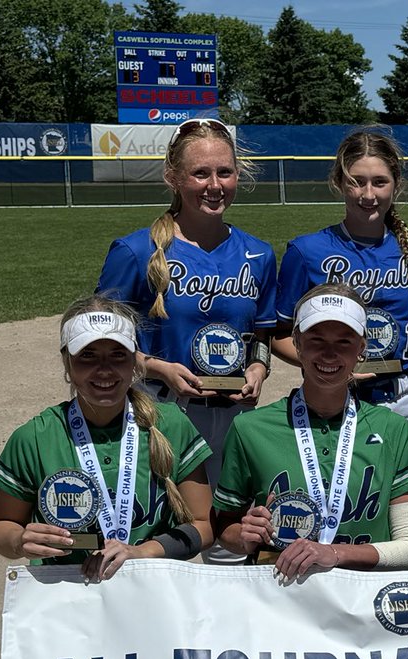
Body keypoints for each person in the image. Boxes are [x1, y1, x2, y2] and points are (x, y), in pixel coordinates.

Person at [96, 118, 277, 562]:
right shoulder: (137, 251)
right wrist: (157, 368)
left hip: (234, 418)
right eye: (200, 173)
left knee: (233, 543)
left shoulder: (258, 253)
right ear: (173, 177)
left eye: (225, 172)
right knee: (153, 540)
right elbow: (101, 345)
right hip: (159, 416)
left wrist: (258, 367)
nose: (214, 185)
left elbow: (262, 334)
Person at [212, 285, 408, 581]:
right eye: (316, 340)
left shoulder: (394, 429)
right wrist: (243, 535)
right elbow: (224, 527)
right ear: (297, 344)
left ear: (361, 349)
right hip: (282, 593)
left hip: (363, 597)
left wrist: (333, 554)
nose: (329, 354)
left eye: (344, 342)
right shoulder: (249, 428)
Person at [0, 297, 213, 582]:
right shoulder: (35, 437)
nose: (104, 369)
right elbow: (1, 526)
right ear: (67, 363)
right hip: (64, 593)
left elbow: (204, 525)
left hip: (154, 589)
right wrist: (19, 539)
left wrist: (142, 551)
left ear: (135, 361)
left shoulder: (171, 424)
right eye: (88, 355)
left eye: (118, 354)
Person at [272, 129, 408, 443]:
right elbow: (278, 335)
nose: (368, 194)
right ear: (338, 183)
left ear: (396, 184)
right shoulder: (307, 252)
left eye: (379, 182)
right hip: (336, 399)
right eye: (356, 181)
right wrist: (328, 366)